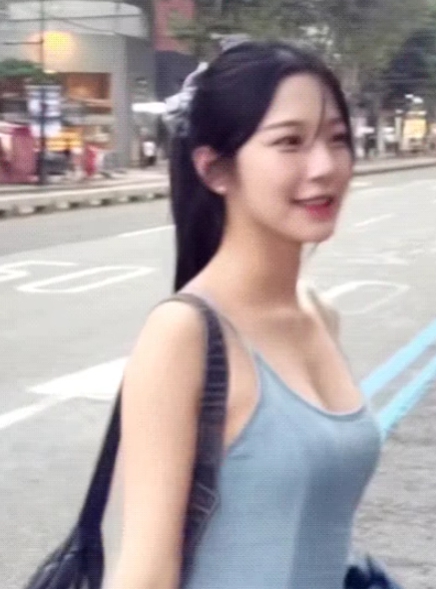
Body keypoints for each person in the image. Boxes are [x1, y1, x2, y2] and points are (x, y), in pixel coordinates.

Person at [110, 40, 383, 589]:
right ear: (214, 169)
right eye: (289, 142)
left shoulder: (320, 314)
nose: (325, 167)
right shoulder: (184, 334)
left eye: (337, 139)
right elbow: (146, 574)